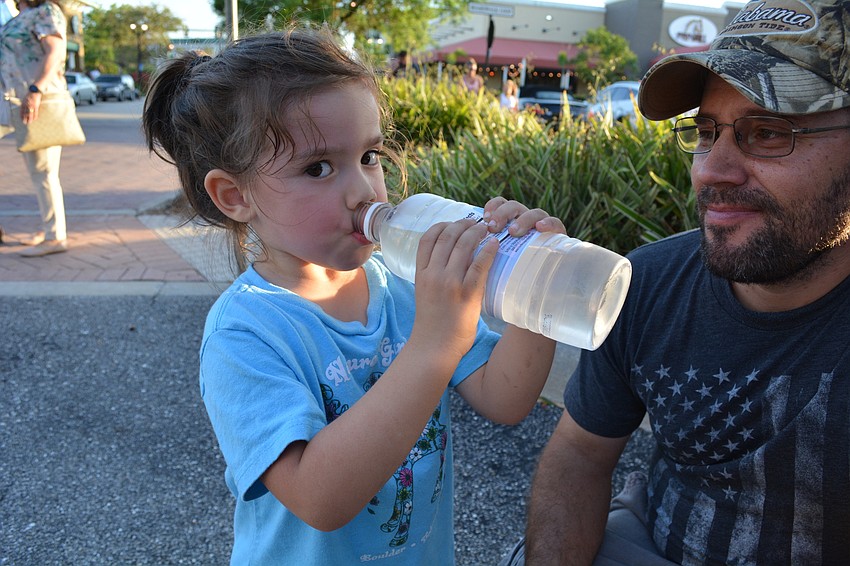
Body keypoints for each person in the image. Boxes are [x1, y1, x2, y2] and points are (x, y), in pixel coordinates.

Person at [143, 27, 564, 565]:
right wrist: (436, 343)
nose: (364, 190)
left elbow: (505, 397)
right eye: (318, 168)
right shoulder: (245, 334)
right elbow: (320, 498)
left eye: (369, 156)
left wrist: (536, 285)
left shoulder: (405, 287)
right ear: (236, 196)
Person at [506, 0, 850, 563]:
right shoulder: (648, 283)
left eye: (767, 133)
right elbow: (579, 456)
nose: (711, 169)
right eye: (706, 131)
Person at [0, 0, 69, 256]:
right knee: (40, 170)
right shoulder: (18, 16)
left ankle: (55, 237)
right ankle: (50, 228)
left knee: (43, 169)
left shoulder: (46, 11)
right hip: (12, 100)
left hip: (37, 99)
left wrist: (35, 90)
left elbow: (55, 51)